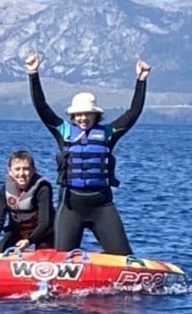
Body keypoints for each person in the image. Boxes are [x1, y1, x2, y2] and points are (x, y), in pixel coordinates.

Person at [24, 52, 151, 255]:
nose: (83, 118)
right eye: (78, 114)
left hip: (102, 206)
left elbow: (132, 113)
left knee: (123, 257)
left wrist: (141, 80)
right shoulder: (64, 131)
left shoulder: (108, 133)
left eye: (87, 114)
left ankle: (100, 262)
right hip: (70, 207)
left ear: (96, 115)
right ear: (73, 116)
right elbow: (41, 106)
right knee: (62, 258)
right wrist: (33, 74)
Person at [0, 149, 54, 256]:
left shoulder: (43, 189)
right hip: (18, 232)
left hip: (43, 233)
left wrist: (29, 241)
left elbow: (44, 223)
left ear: (34, 170)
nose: (21, 174)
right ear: (10, 171)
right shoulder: (5, 190)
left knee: (44, 257)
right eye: (17, 169)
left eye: (26, 169)